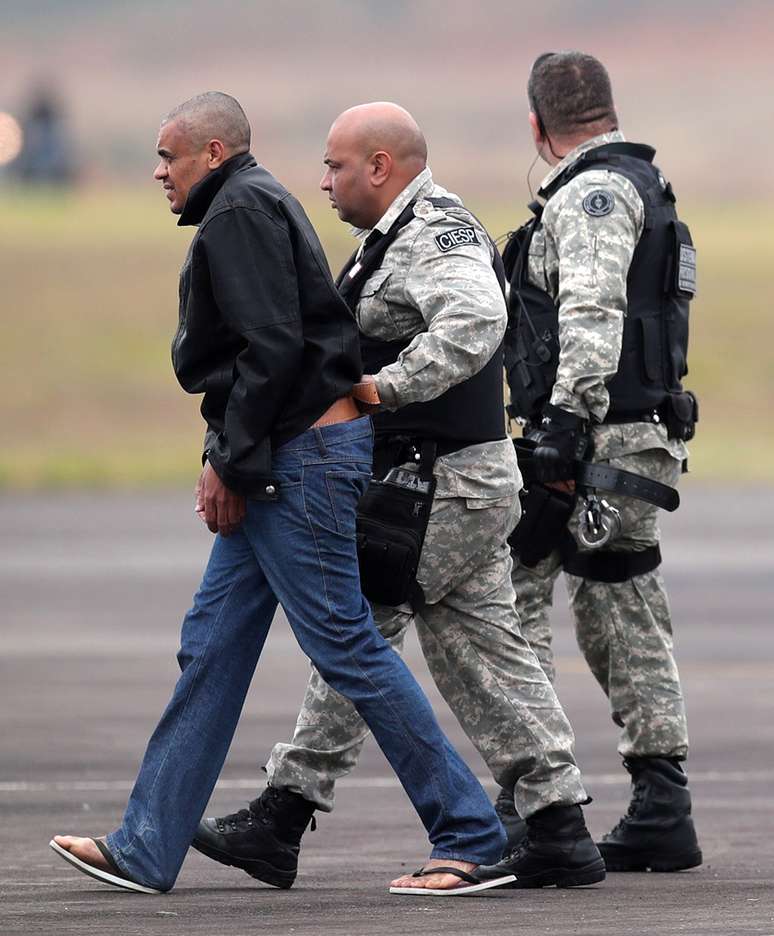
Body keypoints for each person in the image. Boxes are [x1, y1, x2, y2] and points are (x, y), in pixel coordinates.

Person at [48, 91, 517, 897]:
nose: (159, 172)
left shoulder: (239, 212)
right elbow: (263, 354)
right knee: (213, 643)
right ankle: (147, 847)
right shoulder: (250, 204)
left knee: (346, 645)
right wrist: (231, 456)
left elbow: (271, 352)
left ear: (214, 154)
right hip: (281, 454)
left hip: (299, 462)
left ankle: (472, 834)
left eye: (169, 156)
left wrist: (231, 463)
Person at [191, 101, 605, 895]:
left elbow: (476, 319)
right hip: (444, 484)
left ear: (380, 166)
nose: (323, 181)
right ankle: (558, 825)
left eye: (336, 165)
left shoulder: (434, 234)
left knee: (355, 632)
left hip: (443, 485)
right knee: (481, 651)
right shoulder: (386, 241)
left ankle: (286, 810)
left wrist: (383, 389)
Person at [494, 51, 702, 874]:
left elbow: (590, 307)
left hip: (592, 442)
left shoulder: (591, 195)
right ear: (608, 112)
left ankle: (537, 806)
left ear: (537, 126)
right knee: (622, 610)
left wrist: (562, 427)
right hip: (635, 437)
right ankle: (662, 806)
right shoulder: (641, 184)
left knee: (506, 604)